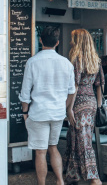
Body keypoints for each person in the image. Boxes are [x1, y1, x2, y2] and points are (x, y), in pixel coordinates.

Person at [19, 26, 75, 185]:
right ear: (57, 42)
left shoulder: (32, 62)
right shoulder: (66, 63)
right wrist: (64, 107)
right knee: (54, 147)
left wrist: (25, 112)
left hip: (38, 113)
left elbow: (25, 93)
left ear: (40, 40)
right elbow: (72, 90)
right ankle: (60, 181)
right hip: (57, 114)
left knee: (41, 152)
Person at [64, 29, 103, 185]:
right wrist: (98, 105)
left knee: (81, 140)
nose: (70, 41)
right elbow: (99, 85)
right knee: (76, 137)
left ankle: (94, 178)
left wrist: (68, 109)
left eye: (73, 38)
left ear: (78, 41)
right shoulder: (96, 60)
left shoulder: (76, 60)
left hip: (78, 102)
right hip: (91, 102)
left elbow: (74, 85)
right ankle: (73, 175)